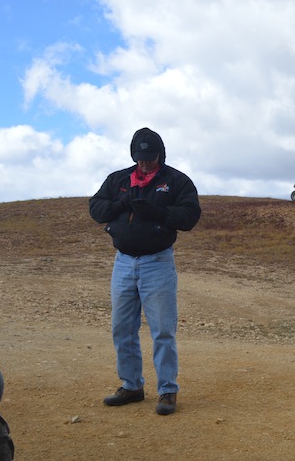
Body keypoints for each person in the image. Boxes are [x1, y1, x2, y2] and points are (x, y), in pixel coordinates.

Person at [89, 127, 201, 415]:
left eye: (150, 158)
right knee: (121, 328)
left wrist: (158, 212)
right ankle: (131, 386)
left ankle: (167, 391)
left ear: (160, 155)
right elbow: (96, 208)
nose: (144, 163)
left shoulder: (176, 181)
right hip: (123, 261)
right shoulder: (118, 180)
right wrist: (121, 203)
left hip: (158, 262)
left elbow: (190, 216)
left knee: (162, 329)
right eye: (140, 158)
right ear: (133, 155)